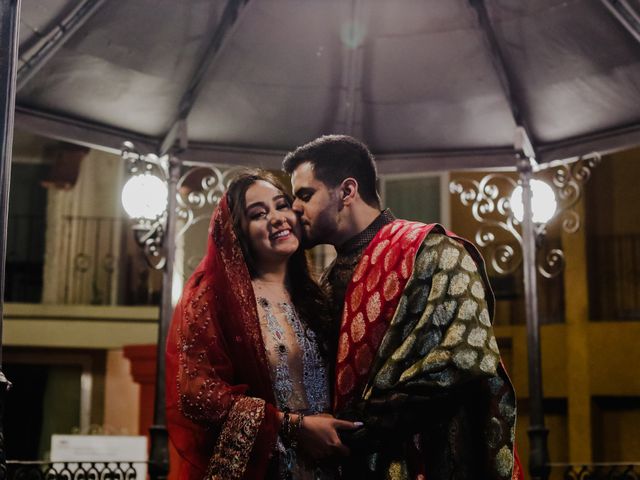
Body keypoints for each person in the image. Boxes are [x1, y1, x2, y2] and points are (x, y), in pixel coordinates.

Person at [283, 135, 523, 479]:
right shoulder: (327, 282)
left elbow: (463, 358)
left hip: (429, 460)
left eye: (305, 195)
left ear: (347, 192)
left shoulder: (433, 251)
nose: (294, 208)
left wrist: (355, 431)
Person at [165, 170, 359, 480]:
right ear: (238, 232)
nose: (277, 218)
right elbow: (197, 394)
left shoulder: (317, 297)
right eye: (258, 214)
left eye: (282, 205)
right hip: (263, 469)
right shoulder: (214, 298)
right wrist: (293, 427)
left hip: (329, 466)